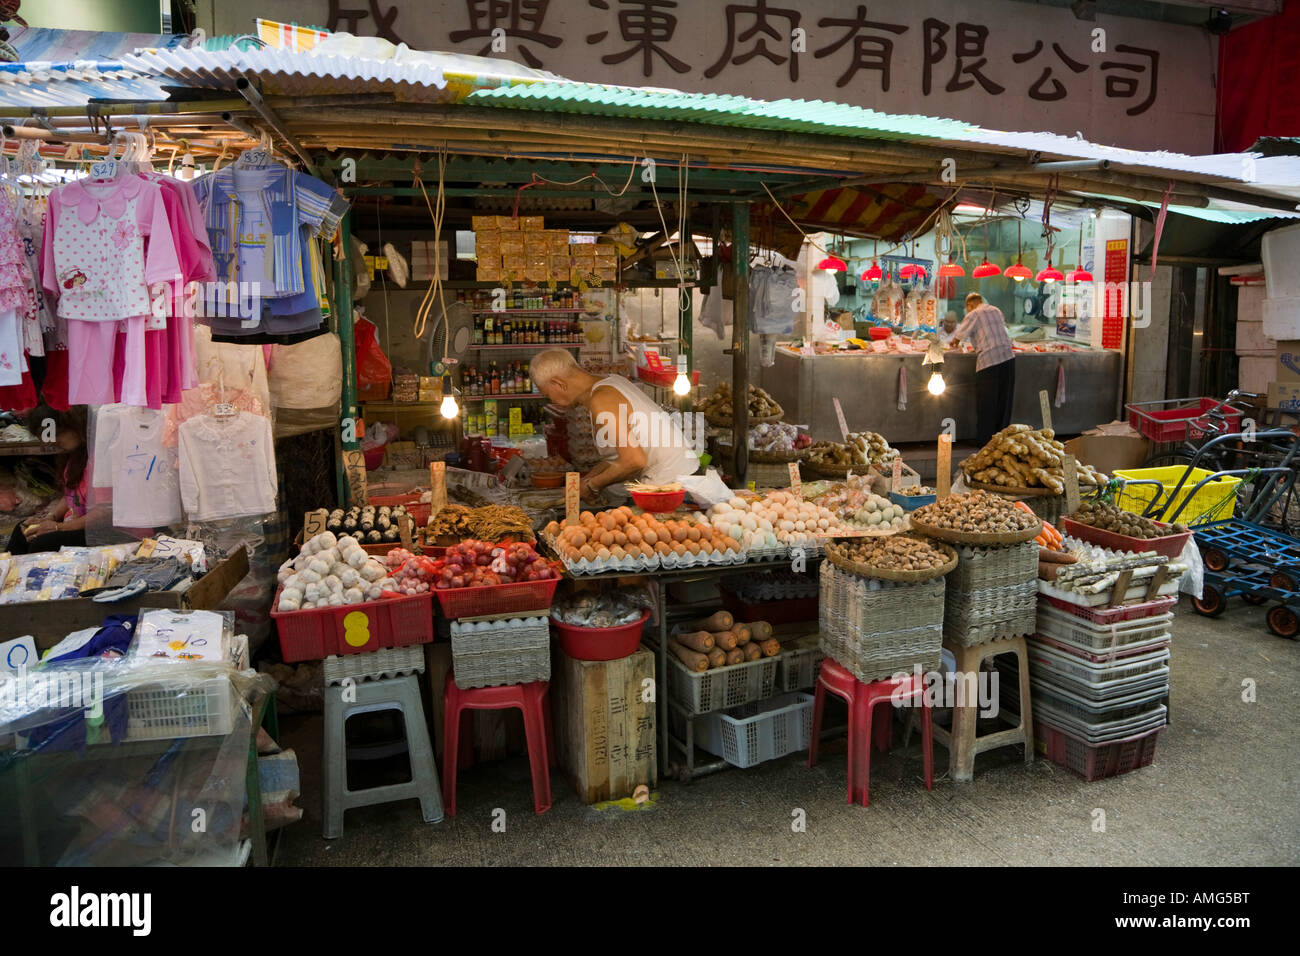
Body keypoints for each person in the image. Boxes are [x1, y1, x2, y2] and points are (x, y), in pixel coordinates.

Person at [529, 349, 699, 500]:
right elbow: (619, 455)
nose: (550, 400)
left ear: (559, 384)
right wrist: (585, 481)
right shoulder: (611, 382)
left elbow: (634, 461)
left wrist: (592, 485)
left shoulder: (601, 399)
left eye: (547, 394)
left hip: (673, 488)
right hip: (681, 477)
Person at [6, 405, 89, 554]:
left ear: (73, 426)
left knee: (41, 543)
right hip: (75, 521)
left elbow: (104, 515)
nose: (51, 442)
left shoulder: (97, 459)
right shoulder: (73, 456)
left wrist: (58, 527)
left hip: (94, 527)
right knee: (22, 530)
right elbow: (71, 494)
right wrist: (50, 517)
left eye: (56, 437)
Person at [950, 292, 1016, 445]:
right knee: (1003, 402)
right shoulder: (996, 310)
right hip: (1008, 358)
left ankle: (985, 442)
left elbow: (956, 340)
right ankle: (1002, 441)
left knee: (987, 403)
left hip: (989, 361)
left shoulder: (973, 314)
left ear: (970, 305)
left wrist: (952, 344)